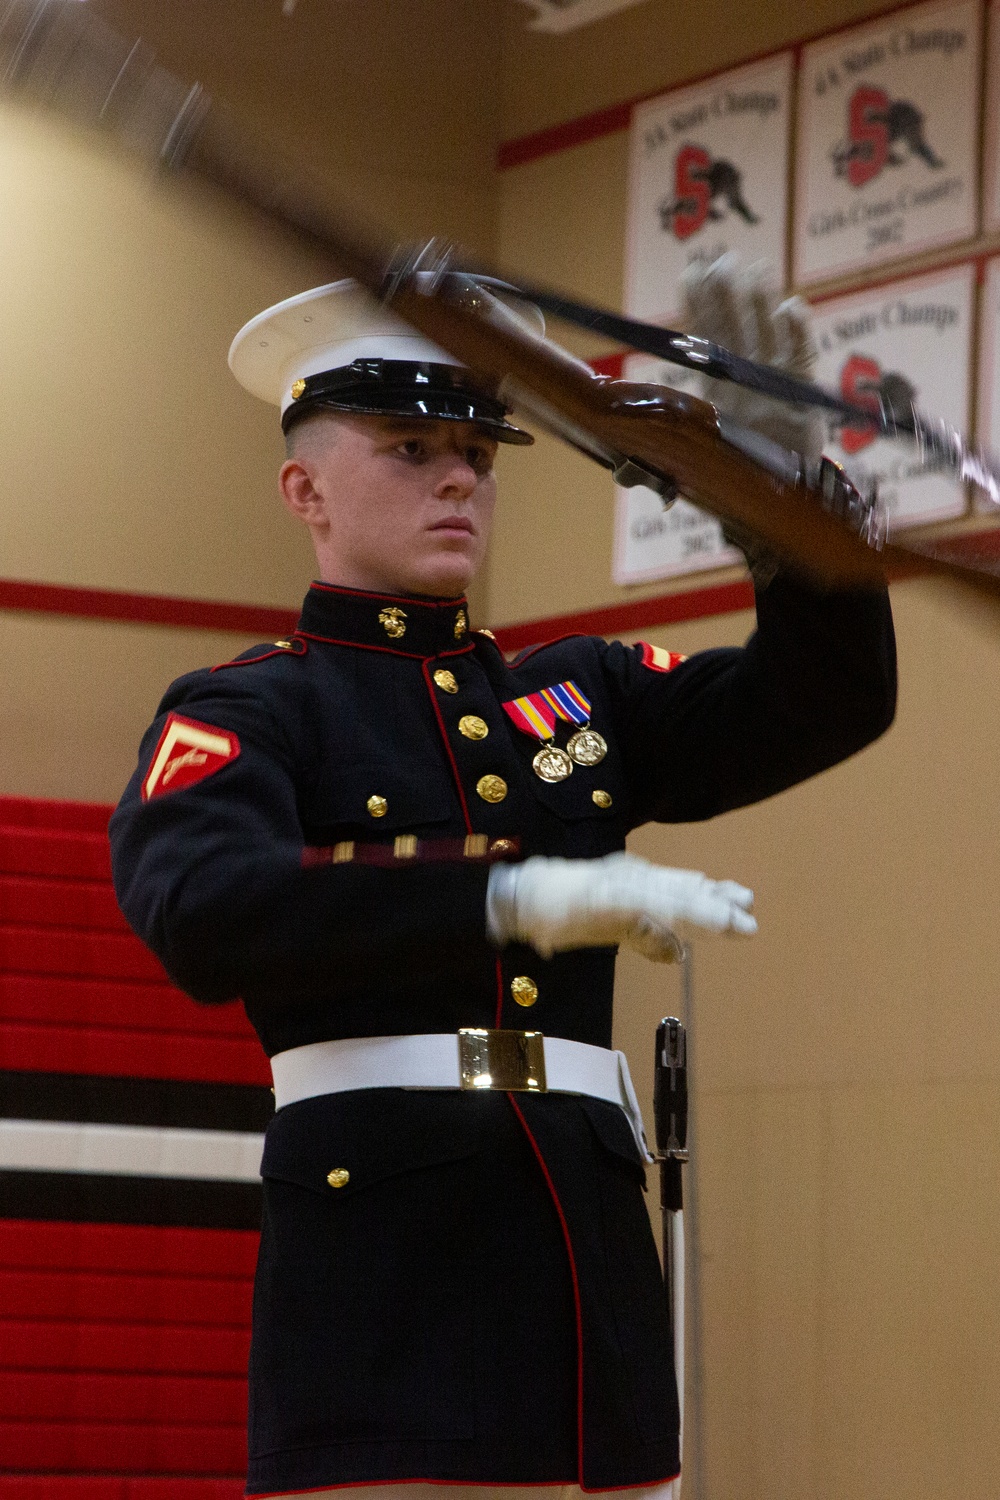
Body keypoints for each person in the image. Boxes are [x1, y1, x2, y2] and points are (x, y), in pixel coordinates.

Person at [109, 269, 897, 1500]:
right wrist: (509, 897)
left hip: (589, 1264)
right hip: (385, 1273)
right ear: (303, 490)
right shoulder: (253, 707)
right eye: (411, 446)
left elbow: (826, 698)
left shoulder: (574, 693)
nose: (461, 476)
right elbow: (204, 911)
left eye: (479, 447)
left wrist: (783, 501)